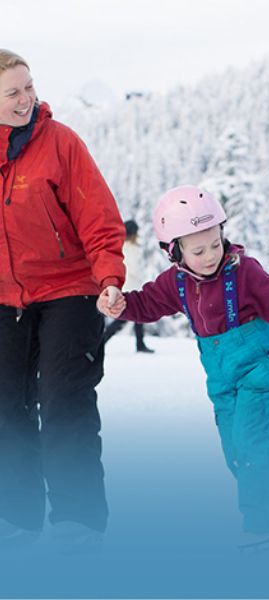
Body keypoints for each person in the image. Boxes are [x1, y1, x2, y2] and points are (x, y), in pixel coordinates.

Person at [97, 184, 269, 548]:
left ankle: (268, 527)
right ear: (174, 252)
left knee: (254, 446)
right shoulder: (176, 283)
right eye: (198, 250)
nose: (210, 255)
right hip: (222, 378)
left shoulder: (243, 273)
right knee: (237, 454)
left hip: (260, 370)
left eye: (215, 244)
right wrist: (121, 306)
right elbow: (146, 304)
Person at [0, 49, 125, 550]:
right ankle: (17, 515)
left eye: (29, 87)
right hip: (7, 298)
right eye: (13, 92)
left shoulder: (59, 143)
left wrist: (110, 277)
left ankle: (78, 518)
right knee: (7, 407)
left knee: (62, 401)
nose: (27, 98)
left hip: (70, 289)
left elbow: (99, 217)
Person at [104, 219, 154, 353]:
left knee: (137, 316)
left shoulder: (121, 246)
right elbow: (134, 268)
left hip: (128, 286)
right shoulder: (130, 248)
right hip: (132, 287)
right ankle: (102, 341)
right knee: (124, 318)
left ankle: (140, 343)